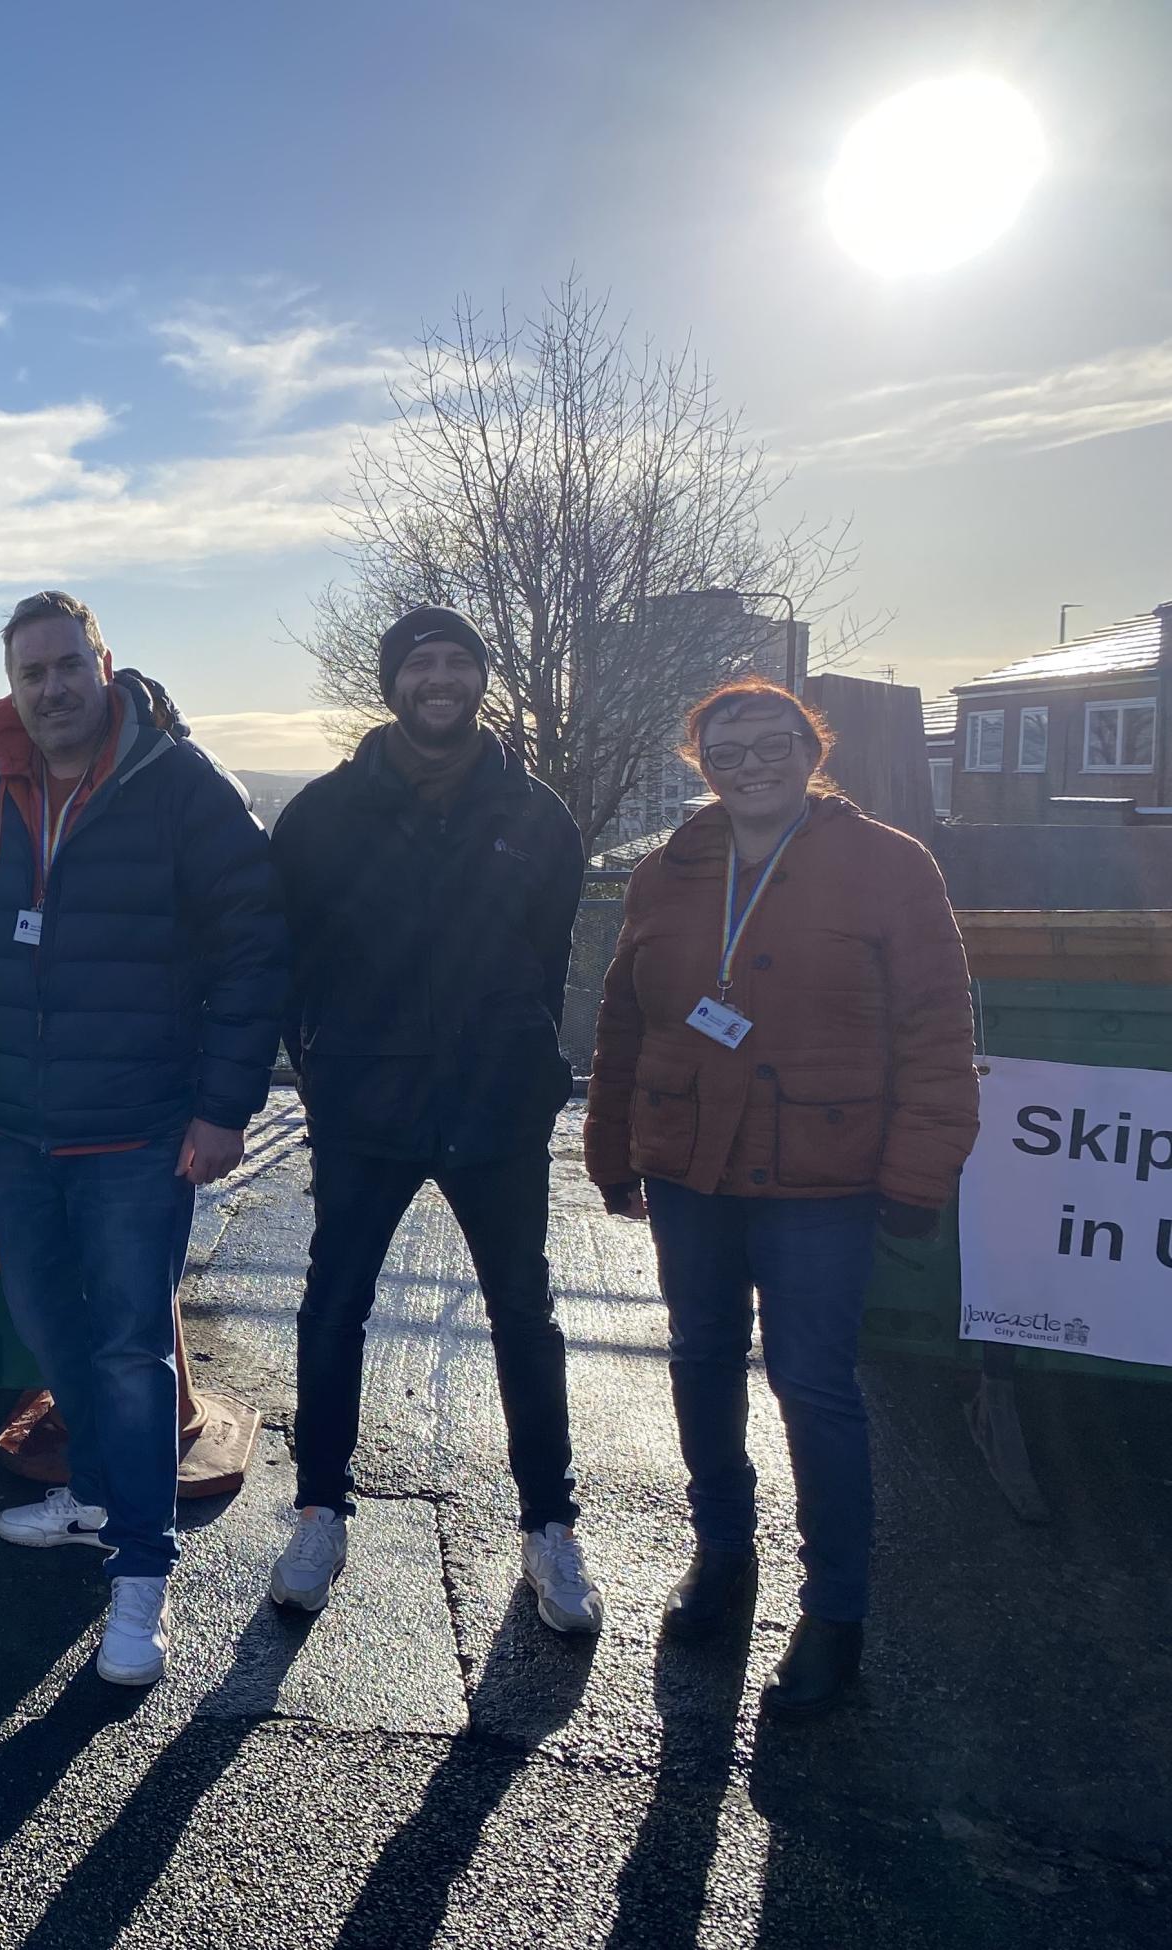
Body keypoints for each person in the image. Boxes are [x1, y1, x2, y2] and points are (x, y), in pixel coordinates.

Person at [587, 678, 977, 1715]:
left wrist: (916, 1172)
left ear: (810, 749)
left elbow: (936, 1029)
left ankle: (833, 1611)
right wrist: (612, 1145)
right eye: (724, 748)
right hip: (688, 1168)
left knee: (812, 1385)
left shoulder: (889, 867)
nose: (748, 762)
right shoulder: (667, 873)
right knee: (699, 1359)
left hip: (824, 1174)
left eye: (770, 743)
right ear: (699, 764)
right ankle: (721, 1554)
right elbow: (624, 1024)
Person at [0, 590, 284, 1686]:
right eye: (28, 674)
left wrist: (224, 1107)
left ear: (103, 665)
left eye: (65, 667)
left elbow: (252, 952)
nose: (49, 691)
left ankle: (141, 1575)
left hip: (138, 1129)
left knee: (130, 1349)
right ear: (10, 684)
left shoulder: (181, 788)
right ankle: (95, 1496)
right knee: (46, 1324)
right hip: (14, 1123)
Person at [268, 604, 603, 1637]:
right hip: (365, 1099)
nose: (440, 680)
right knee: (332, 1310)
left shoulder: (536, 815)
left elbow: (548, 958)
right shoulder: (321, 816)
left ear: (479, 680)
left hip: (494, 1104)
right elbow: (290, 963)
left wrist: (523, 1062)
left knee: (524, 1318)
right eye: (421, 665)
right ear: (391, 684)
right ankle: (319, 1511)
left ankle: (547, 1527)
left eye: (458, 662)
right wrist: (324, 1071)